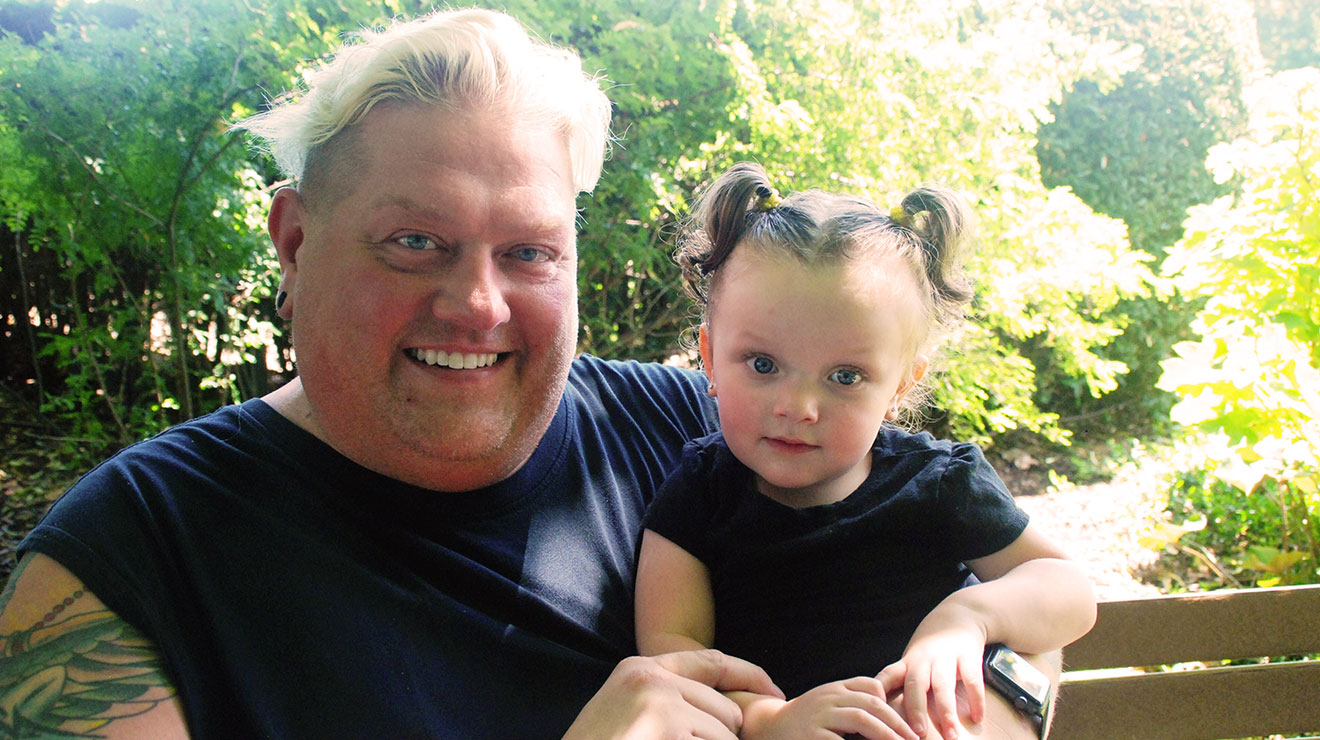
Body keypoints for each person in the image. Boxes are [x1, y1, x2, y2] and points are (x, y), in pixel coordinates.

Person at [0, 9, 783, 739]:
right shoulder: (127, 567)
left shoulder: (700, 432)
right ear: (296, 243)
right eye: (415, 241)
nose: (479, 306)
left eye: (529, 252)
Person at [634, 163, 1098, 740]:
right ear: (709, 356)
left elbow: (1069, 590)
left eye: (846, 376)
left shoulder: (936, 483)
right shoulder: (699, 493)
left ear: (900, 385)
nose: (799, 406)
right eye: (762, 364)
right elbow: (673, 656)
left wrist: (967, 618)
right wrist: (768, 720)